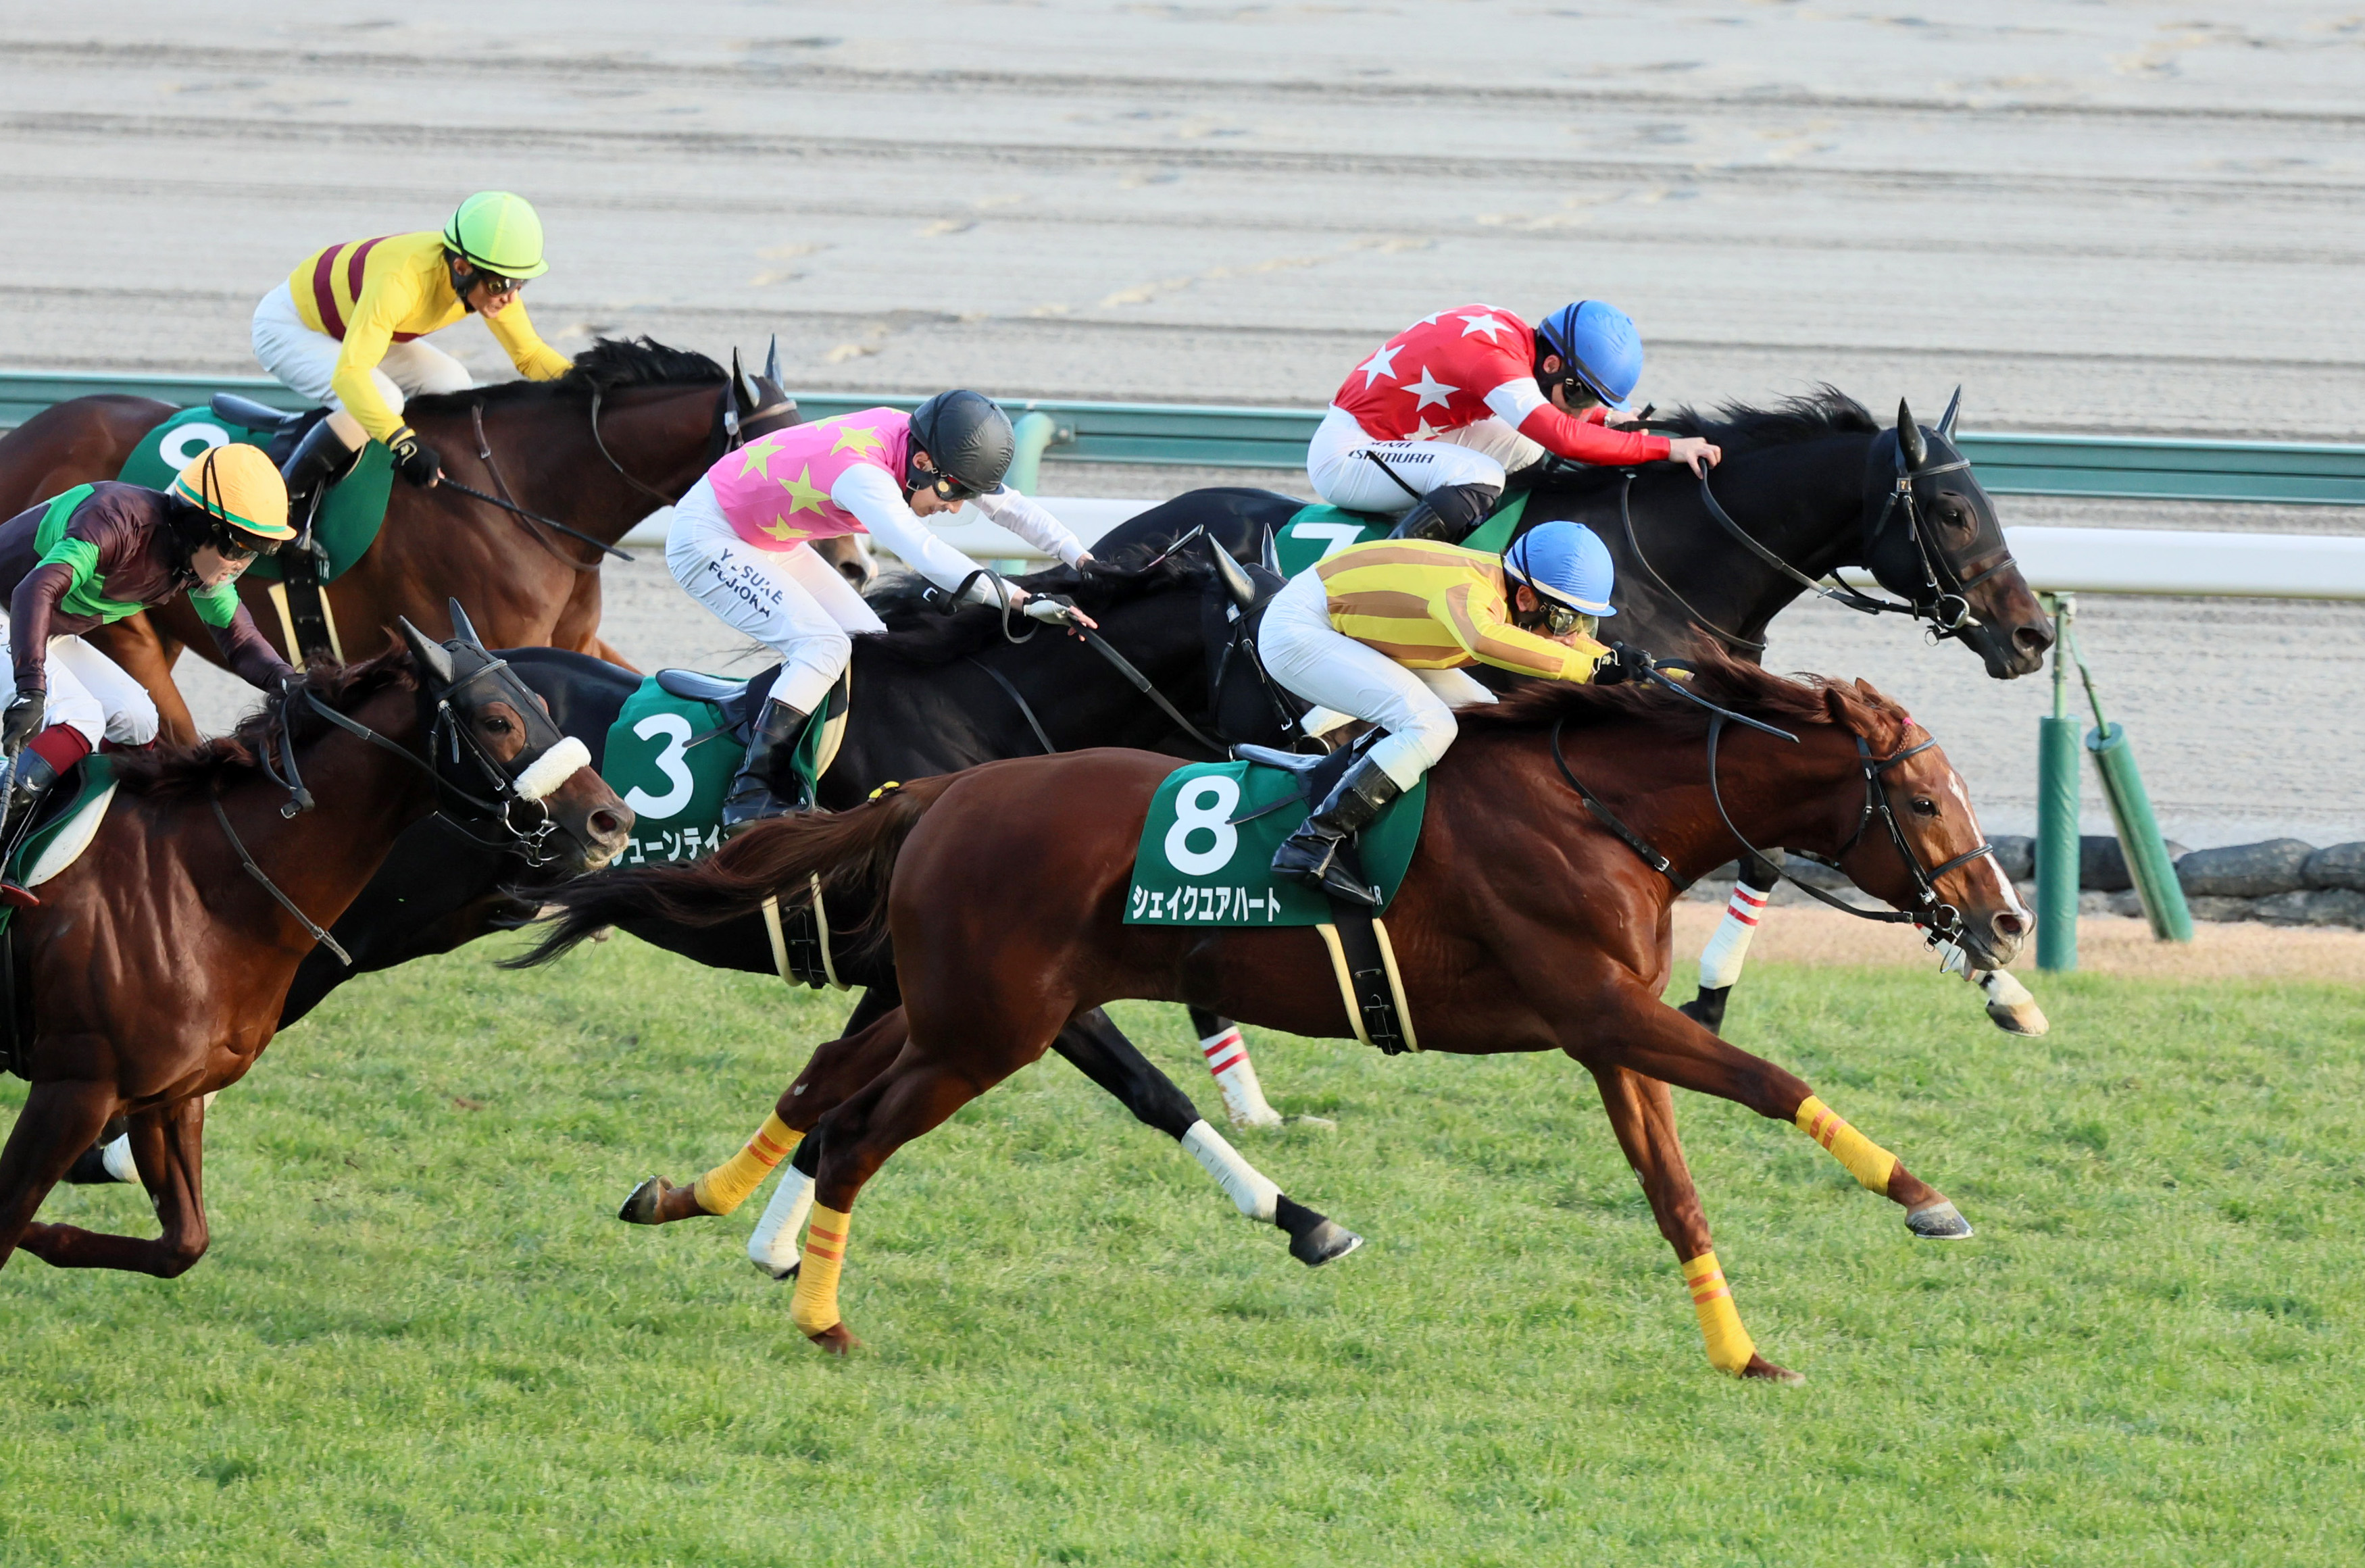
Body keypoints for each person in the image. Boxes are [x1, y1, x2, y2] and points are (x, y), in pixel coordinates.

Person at [668, 390, 1100, 832]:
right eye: (953, 490)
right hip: (709, 538)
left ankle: (822, 770)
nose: (953, 505)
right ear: (923, 463)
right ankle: (752, 790)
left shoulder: (926, 442)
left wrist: (1084, 560)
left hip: (767, 539)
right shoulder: (864, 475)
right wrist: (1022, 600)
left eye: (966, 495)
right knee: (823, 645)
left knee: (871, 641)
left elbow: (1009, 506)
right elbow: (926, 553)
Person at [1256, 520, 1652, 905]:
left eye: (1587, 621)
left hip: (1352, 625)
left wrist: (1642, 671)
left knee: (1483, 717)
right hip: (1301, 629)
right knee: (1431, 725)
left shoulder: (1509, 589)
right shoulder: (1469, 593)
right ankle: (1313, 841)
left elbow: (1572, 644)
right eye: (1566, 618)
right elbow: (1485, 640)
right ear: (1525, 599)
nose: (1576, 633)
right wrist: (1593, 670)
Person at [0, 446, 299, 861]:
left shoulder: (197, 564)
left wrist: (292, 682)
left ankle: (90, 838)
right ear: (201, 527)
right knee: (81, 717)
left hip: (45, 628)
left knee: (139, 718)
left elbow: (242, 641)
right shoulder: (117, 519)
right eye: (240, 547)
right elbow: (35, 589)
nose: (241, 564)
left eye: (255, 552)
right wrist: (31, 687)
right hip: (13, 611)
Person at [251, 191, 571, 524]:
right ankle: (283, 499)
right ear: (461, 267)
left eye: (521, 284)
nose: (510, 298)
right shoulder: (400, 283)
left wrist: (597, 379)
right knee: (385, 400)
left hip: (355, 324)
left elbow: (530, 355)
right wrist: (402, 442)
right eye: (502, 285)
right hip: (291, 327)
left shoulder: (484, 278)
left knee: (455, 384)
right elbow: (349, 374)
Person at [1308, 300, 1722, 544]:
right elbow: (1563, 435)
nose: (1580, 409)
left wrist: (1608, 418)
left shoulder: (1516, 339)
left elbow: (1555, 413)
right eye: (1580, 395)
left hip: (1405, 433)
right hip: (1347, 454)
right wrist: (1667, 448)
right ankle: (1386, 574)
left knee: (1523, 451)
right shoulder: (1493, 360)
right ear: (1552, 363)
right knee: (1482, 474)